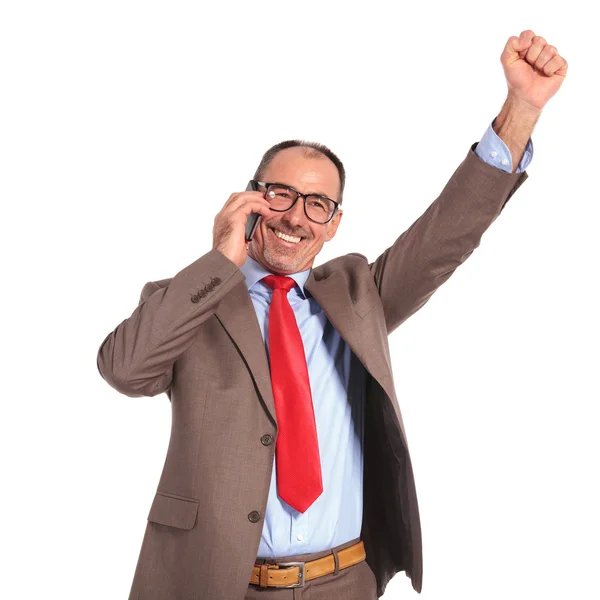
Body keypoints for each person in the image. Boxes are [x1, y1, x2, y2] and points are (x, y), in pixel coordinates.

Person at [97, 30, 567, 600]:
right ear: (249, 197)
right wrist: (220, 259)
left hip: (343, 583)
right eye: (280, 195)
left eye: (318, 204)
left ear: (334, 223)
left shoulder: (357, 296)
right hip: (217, 586)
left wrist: (521, 110)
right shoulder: (189, 302)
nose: (296, 217)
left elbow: (447, 233)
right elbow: (125, 370)